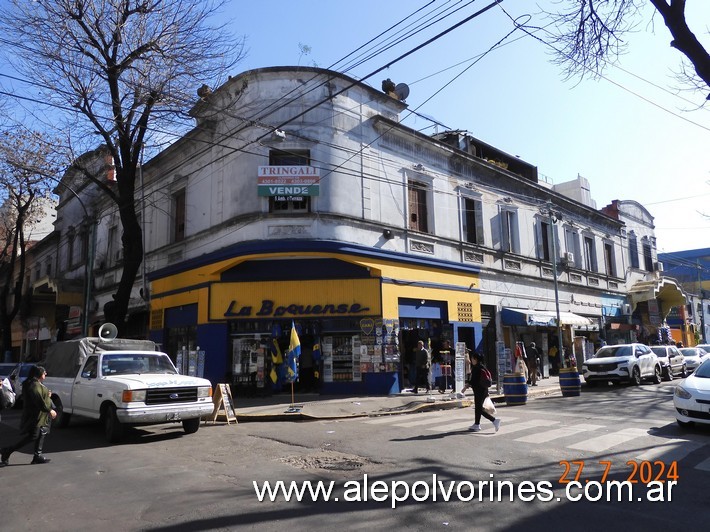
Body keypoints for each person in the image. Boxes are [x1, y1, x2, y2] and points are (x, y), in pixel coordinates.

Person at [1, 365, 57, 466]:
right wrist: (49, 410)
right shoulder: (34, 385)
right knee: (33, 436)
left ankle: (37, 456)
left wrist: (47, 395)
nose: (46, 374)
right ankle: (8, 451)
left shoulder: (34, 383)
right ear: (39, 374)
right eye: (44, 373)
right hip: (35, 416)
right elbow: (38, 400)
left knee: (41, 433)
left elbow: (40, 397)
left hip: (39, 416)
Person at [466, 352, 500, 433]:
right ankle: (477, 424)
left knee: (479, 409)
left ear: (475, 359)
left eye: (472, 358)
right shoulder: (483, 367)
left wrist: (467, 384)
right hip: (483, 390)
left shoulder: (476, 368)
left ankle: (494, 420)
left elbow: (474, 380)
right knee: (478, 408)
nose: (471, 360)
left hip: (479, 390)